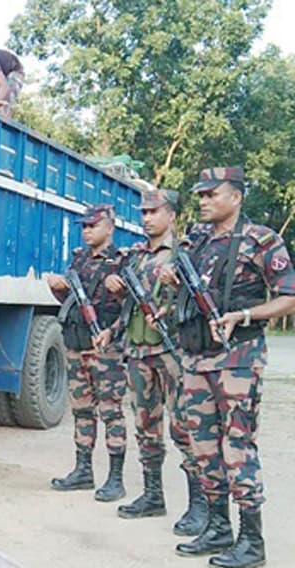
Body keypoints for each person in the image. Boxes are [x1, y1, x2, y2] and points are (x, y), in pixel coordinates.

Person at [159, 167, 295, 568]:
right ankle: (218, 527)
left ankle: (252, 542)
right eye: (199, 194)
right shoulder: (197, 242)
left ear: (235, 197)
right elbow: (188, 296)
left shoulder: (261, 240)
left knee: (236, 448)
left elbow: (290, 296)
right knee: (201, 446)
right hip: (195, 359)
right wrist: (171, 280)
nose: (202, 201)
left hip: (237, 359)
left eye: (211, 194)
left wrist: (246, 314)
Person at [96, 190, 205, 535]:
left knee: (184, 427)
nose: (146, 218)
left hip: (172, 352)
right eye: (143, 212)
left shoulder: (187, 253)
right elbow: (130, 308)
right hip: (139, 352)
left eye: (154, 212)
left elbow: (199, 299)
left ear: (171, 215)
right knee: (145, 425)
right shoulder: (137, 257)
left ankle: (199, 506)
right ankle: (153, 495)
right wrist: (114, 311)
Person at [46, 204, 128, 502]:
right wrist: (58, 289)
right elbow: (69, 302)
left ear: (110, 227)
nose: (87, 231)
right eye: (84, 226)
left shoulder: (121, 262)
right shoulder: (78, 260)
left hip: (104, 347)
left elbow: (130, 309)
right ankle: (83, 470)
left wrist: (113, 333)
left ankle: (115, 478)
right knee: (81, 409)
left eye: (93, 226)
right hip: (76, 342)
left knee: (111, 411)